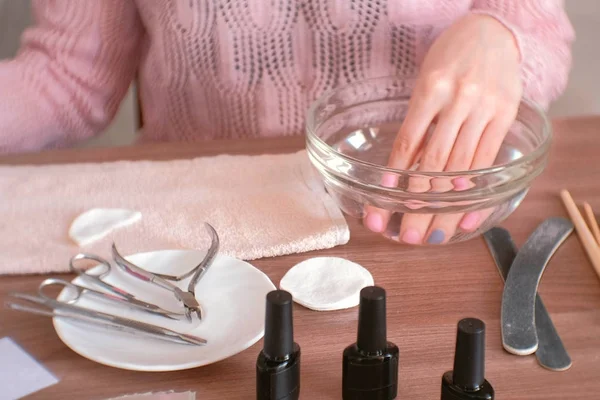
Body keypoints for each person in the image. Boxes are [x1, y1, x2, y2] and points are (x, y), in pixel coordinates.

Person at [0, 1, 574, 244]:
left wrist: (501, 34)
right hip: (199, 227)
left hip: (414, 223)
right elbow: (68, 78)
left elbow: (540, 30)